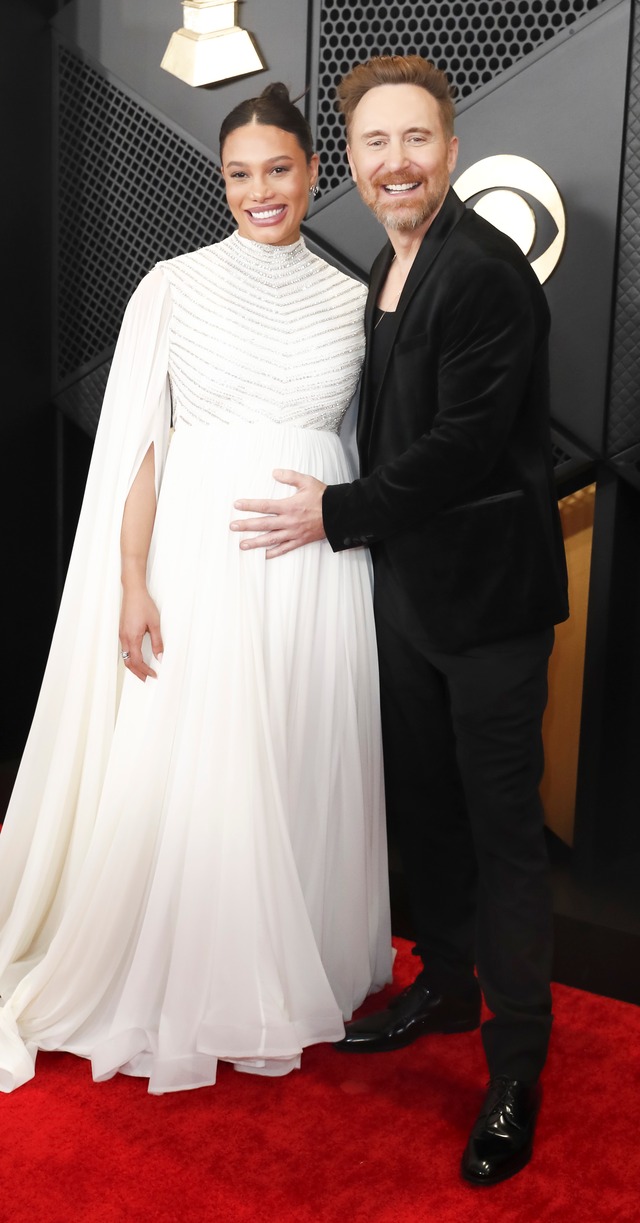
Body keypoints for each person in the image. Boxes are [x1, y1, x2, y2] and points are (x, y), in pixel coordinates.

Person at [0, 83, 393, 1095]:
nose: (259, 191)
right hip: (198, 564)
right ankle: (190, 972)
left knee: (300, 750)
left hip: (316, 571)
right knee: (198, 768)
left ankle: (297, 961)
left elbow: (365, 453)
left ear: (314, 172)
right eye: (238, 174)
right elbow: (137, 451)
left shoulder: (357, 300)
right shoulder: (171, 286)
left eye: (278, 168)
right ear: (220, 182)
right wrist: (132, 579)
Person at [230, 56, 569, 1185]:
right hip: (409, 598)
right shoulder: (392, 258)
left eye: (413, 140)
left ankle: (516, 1062)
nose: (394, 164)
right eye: (374, 146)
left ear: (451, 148)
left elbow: (461, 448)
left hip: (488, 609)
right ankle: (445, 982)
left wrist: (333, 512)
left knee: (503, 835)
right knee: (428, 814)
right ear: (356, 164)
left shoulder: (483, 270)